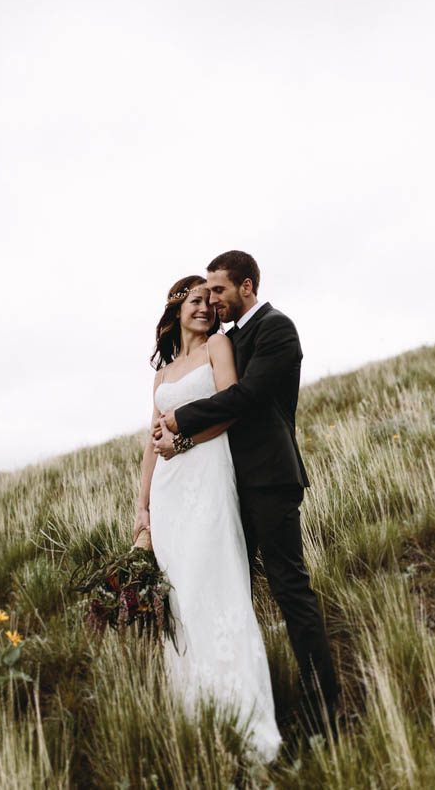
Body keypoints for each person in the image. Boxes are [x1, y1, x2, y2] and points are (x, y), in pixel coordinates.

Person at [155, 250, 339, 735]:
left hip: (269, 480)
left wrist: (182, 420)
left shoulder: (276, 329)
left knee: (290, 590)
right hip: (227, 485)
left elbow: (248, 396)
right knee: (228, 592)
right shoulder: (229, 338)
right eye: (206, 293)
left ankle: (324, 713)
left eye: (218, 290)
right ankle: (235, 698)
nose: (213, 299)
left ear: (247, 287)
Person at [134, 274, 282, 762]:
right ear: (175, 310)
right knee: (178, 595)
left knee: (214, 585)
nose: (204, 308)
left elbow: (230, 410)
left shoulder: (220, 347)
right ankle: (198, 716)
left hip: (207, 472)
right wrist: (142, 511)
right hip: (169, 490)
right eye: (194, 301)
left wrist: (184, 442)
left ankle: (247, 720)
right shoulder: (162, 374)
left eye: (208, 301)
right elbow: (150, 447)